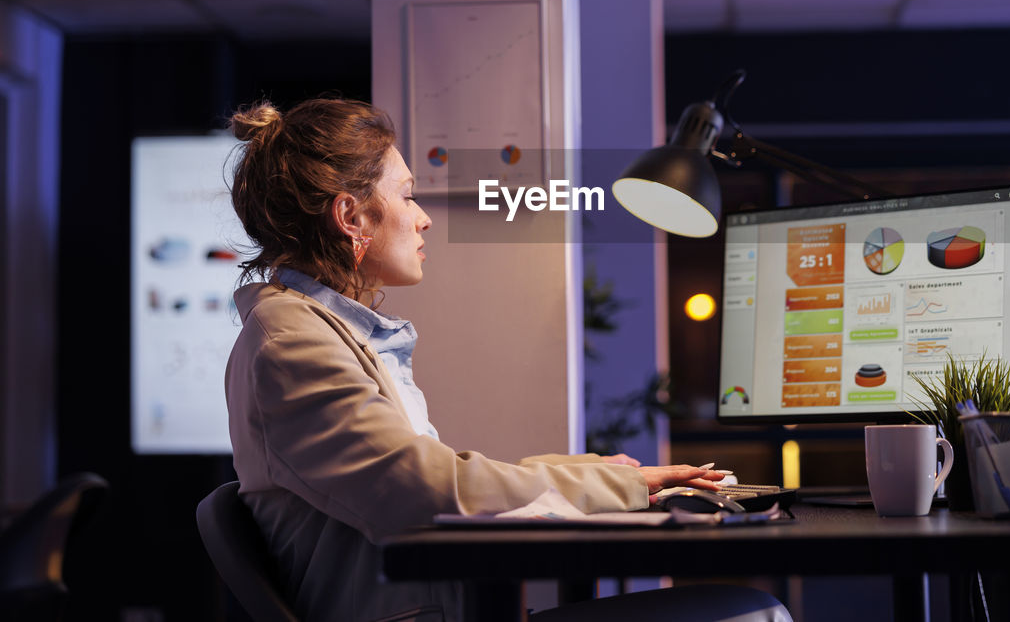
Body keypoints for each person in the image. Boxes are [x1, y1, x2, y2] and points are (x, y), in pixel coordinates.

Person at [223, 98, 791, 622]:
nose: (423, 218)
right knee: (754, 614)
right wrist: (624, 489)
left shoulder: (320, 330)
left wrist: (607, 475)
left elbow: (440, 474)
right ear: (351, 217)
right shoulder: (291, 339)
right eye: (407, 194)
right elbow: (428, 491)